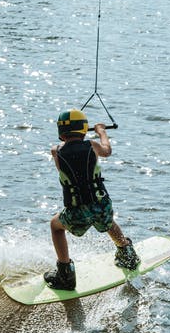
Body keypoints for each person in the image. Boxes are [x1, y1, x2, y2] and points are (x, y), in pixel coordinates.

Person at [44, 108, 140, 290]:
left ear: (61, 133)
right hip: (101, 206)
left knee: (55, 226)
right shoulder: (92, 146)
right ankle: (127, 253)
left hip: (76, 211)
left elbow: (64, 150)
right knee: (108, 221)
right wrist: (101, 131)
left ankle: (65, 273)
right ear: (83, 129)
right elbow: (107, 151)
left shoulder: (56, 152)